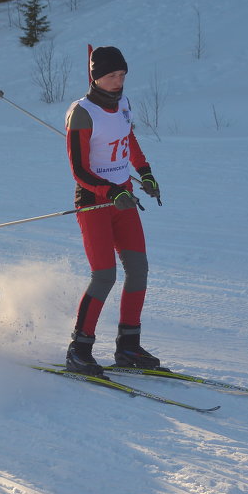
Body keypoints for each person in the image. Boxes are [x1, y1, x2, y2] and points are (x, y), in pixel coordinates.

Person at [63, 45, 162, 376]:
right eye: (111, 76)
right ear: (95, 77)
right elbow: (79, 169)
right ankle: (79, 349)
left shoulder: (124, 104)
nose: (118, 81)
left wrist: (144, 171)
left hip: (124, 200)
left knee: (138, 270)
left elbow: (128, 139)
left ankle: (128, 346)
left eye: (121, 75)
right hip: (95, 203)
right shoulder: (82, 113)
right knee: (104, 275)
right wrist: (110, 191)